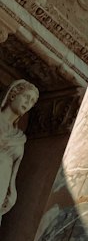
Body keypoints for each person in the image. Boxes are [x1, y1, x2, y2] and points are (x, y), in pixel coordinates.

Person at [0, 78, 39, 221]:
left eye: (32, 102)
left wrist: (12, 192)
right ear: (13, 95)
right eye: (26, 97)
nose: (28, 103)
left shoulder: (20, 136)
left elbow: (13, 170)